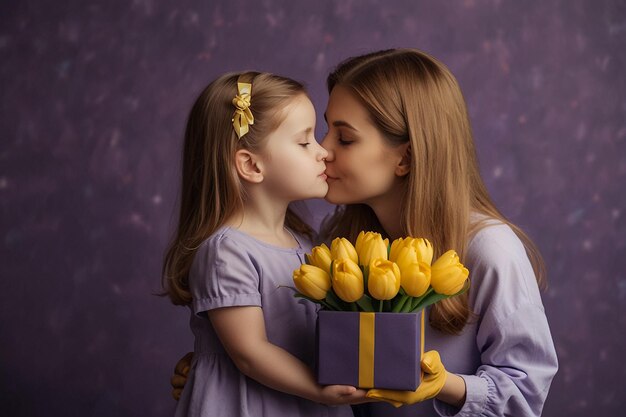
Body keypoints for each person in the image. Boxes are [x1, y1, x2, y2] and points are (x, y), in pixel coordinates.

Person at [171, 49, 559, 416]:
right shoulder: (339, 248)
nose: (324, 151)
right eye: (316, 135)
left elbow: (524, 395)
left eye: (345, 137)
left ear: (404, 157)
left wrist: (446, 385)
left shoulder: (490, 250)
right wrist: (222, 372)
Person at [162, 71, 365, 417]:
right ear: (251, 165)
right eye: (304, 143)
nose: (323, 153)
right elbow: (250, 352)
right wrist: (319, 390)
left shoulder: (305, 244)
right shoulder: (227, 251)